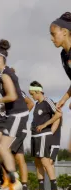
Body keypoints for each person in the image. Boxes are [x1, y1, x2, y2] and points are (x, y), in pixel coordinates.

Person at [0, 39, 29, 190]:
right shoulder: (4, 73)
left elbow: (11, 96)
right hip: (9, 114)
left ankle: (13, 181)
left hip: (18, 114)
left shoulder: (5, 75)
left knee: (3, 147)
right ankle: (10, 178)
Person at [0, 91, 34, 190]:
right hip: (14, 128)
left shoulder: (17, 91)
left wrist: (21, 119)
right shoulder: (5, 94)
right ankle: (23, 187)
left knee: (4, 151)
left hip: (17, 128)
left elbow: (31, 103)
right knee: (19, 158)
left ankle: (11, 182)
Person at [29, 81, 62, 190]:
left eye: (32, 93)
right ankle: (41, 189)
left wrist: (45, 125)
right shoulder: (37, 105)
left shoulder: (48, 101)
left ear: (38, 91)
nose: (31, 96)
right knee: (37, 162)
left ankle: (54, 189)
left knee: (45, 161)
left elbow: (58, 115)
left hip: (44, 136)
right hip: (35, 136)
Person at [50, 12, 71, 151]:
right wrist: (63, 99)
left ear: (64, 32)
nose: (52, 38)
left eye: (53, 34)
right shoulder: (64, 54)